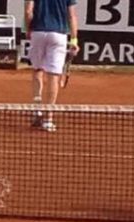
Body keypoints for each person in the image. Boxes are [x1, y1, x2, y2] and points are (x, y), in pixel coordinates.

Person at [25, 0, 80, 131]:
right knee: (53, 77)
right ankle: (48, 119)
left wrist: (28, 30)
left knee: (37, 70)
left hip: (38, 33)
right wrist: (74, 40)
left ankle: (37, 110)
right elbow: (72, 16)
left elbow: (28, 12)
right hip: (58, 35)